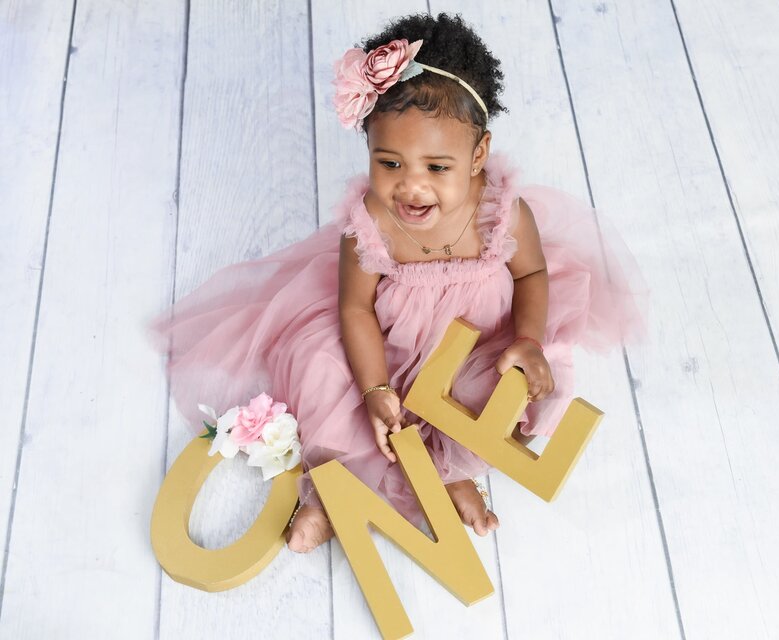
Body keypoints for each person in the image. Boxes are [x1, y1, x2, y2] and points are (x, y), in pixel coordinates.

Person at [149, 13, 648, 554]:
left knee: (496, 397)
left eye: (437, 168)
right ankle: (329, 496)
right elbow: (356, 310)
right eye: (389, 163)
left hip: (479, 340)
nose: (411, 187)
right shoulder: (370, 223)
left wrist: (526, 338)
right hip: (390, 344)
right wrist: (374, 387)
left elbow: (530, 271)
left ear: (477, 155)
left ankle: (453, 473)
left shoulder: (500, 211)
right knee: (321, 379)